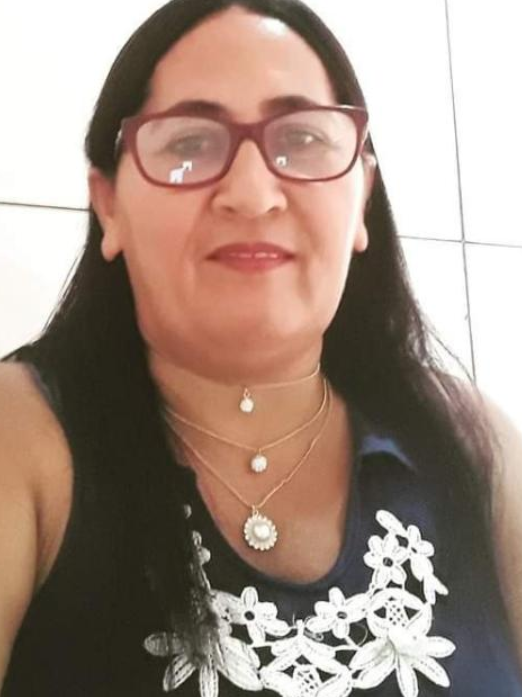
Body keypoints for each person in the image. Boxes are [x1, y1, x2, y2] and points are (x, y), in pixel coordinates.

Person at [0, 0, 521, 694]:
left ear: (361, 197)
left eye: (302, 138)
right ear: (110, 206)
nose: (251, 193)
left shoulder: (475, 442)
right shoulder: (22, 436)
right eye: (189, 143)